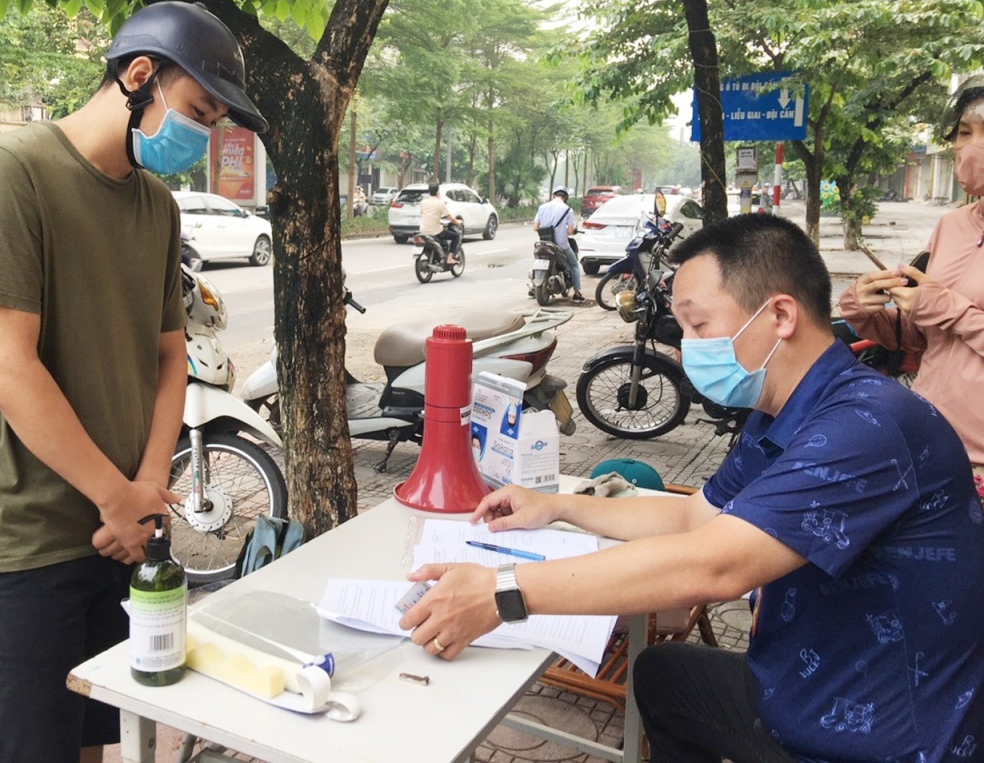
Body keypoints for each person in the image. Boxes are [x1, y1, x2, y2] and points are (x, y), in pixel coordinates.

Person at [399, 214, 983, 762]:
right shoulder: (780, 411)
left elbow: (714, 567)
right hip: (802, 688)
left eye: (699, 324)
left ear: (780, 316)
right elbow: (692, 520)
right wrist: (555, 506)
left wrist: (500, 593)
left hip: (882, 740)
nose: (687, 345)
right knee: (663, 676)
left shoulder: (869, 425)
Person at [0, 0, 268, 763]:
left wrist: (147, 489)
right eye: (196, 110)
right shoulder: (11, 173)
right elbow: (5, 363)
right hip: (17, 540)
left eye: (214, 121)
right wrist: (117, 498)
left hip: (119, 534)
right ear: (139, 74)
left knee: (96, 742)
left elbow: (168, 355)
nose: (201, 136)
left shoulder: (154, 204)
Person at [840, 77, 984, 495]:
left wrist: (945, 306)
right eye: (963, 133)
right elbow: (922, 339)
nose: (969, 147)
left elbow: (945, 312)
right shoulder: (952, 224)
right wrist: (865, 311)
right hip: (928, 439)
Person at [533, 185, 586, 303]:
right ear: (565, 197)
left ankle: (533, 287)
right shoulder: (567, 210)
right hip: (561, 245)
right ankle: (577, 293)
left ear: (553, 195)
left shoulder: (542, 207)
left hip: (544, 244)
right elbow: (571, 232)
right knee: (574, 266)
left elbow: (535, 227)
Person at [419, 182, 463, 264]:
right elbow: (451, 219)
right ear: (437, 192)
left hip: (423, 231)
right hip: (435, 231)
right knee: (456, 237)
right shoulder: (440, 203)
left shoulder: (423, 203)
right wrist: (458, 222)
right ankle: (450, 258)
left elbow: (423, 213)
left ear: (429, 192)